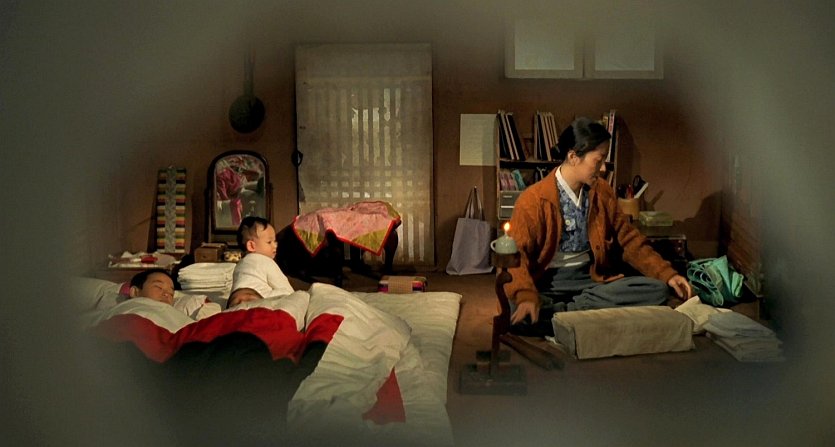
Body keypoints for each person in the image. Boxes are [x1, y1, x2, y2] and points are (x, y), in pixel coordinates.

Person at [505, 117, 692, 337]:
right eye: (598, 160)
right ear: (573, 157)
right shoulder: (533, 199)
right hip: (548, 281)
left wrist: (666, 274)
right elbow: (515, 256)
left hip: (591, 279)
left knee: (657, 289)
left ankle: (564, 314)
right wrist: (526, 295)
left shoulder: (602, 191)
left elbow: (629, 240)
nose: (603, 168)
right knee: (518, 309)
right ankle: (573, 314)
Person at [231, 216, 295, 301]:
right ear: (251, 246)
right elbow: (286, 289)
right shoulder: (266, 261)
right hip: (259, 299)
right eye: (269, 242)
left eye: (275, 241)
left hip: (234, 301)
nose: (275, 245)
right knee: (295, 294)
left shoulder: (239, 265)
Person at [128, 268, 221, 319]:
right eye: (159, 287)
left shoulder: (177, 320)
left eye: (171, 293)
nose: (166, 294)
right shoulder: (127, 317)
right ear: (135, 292)